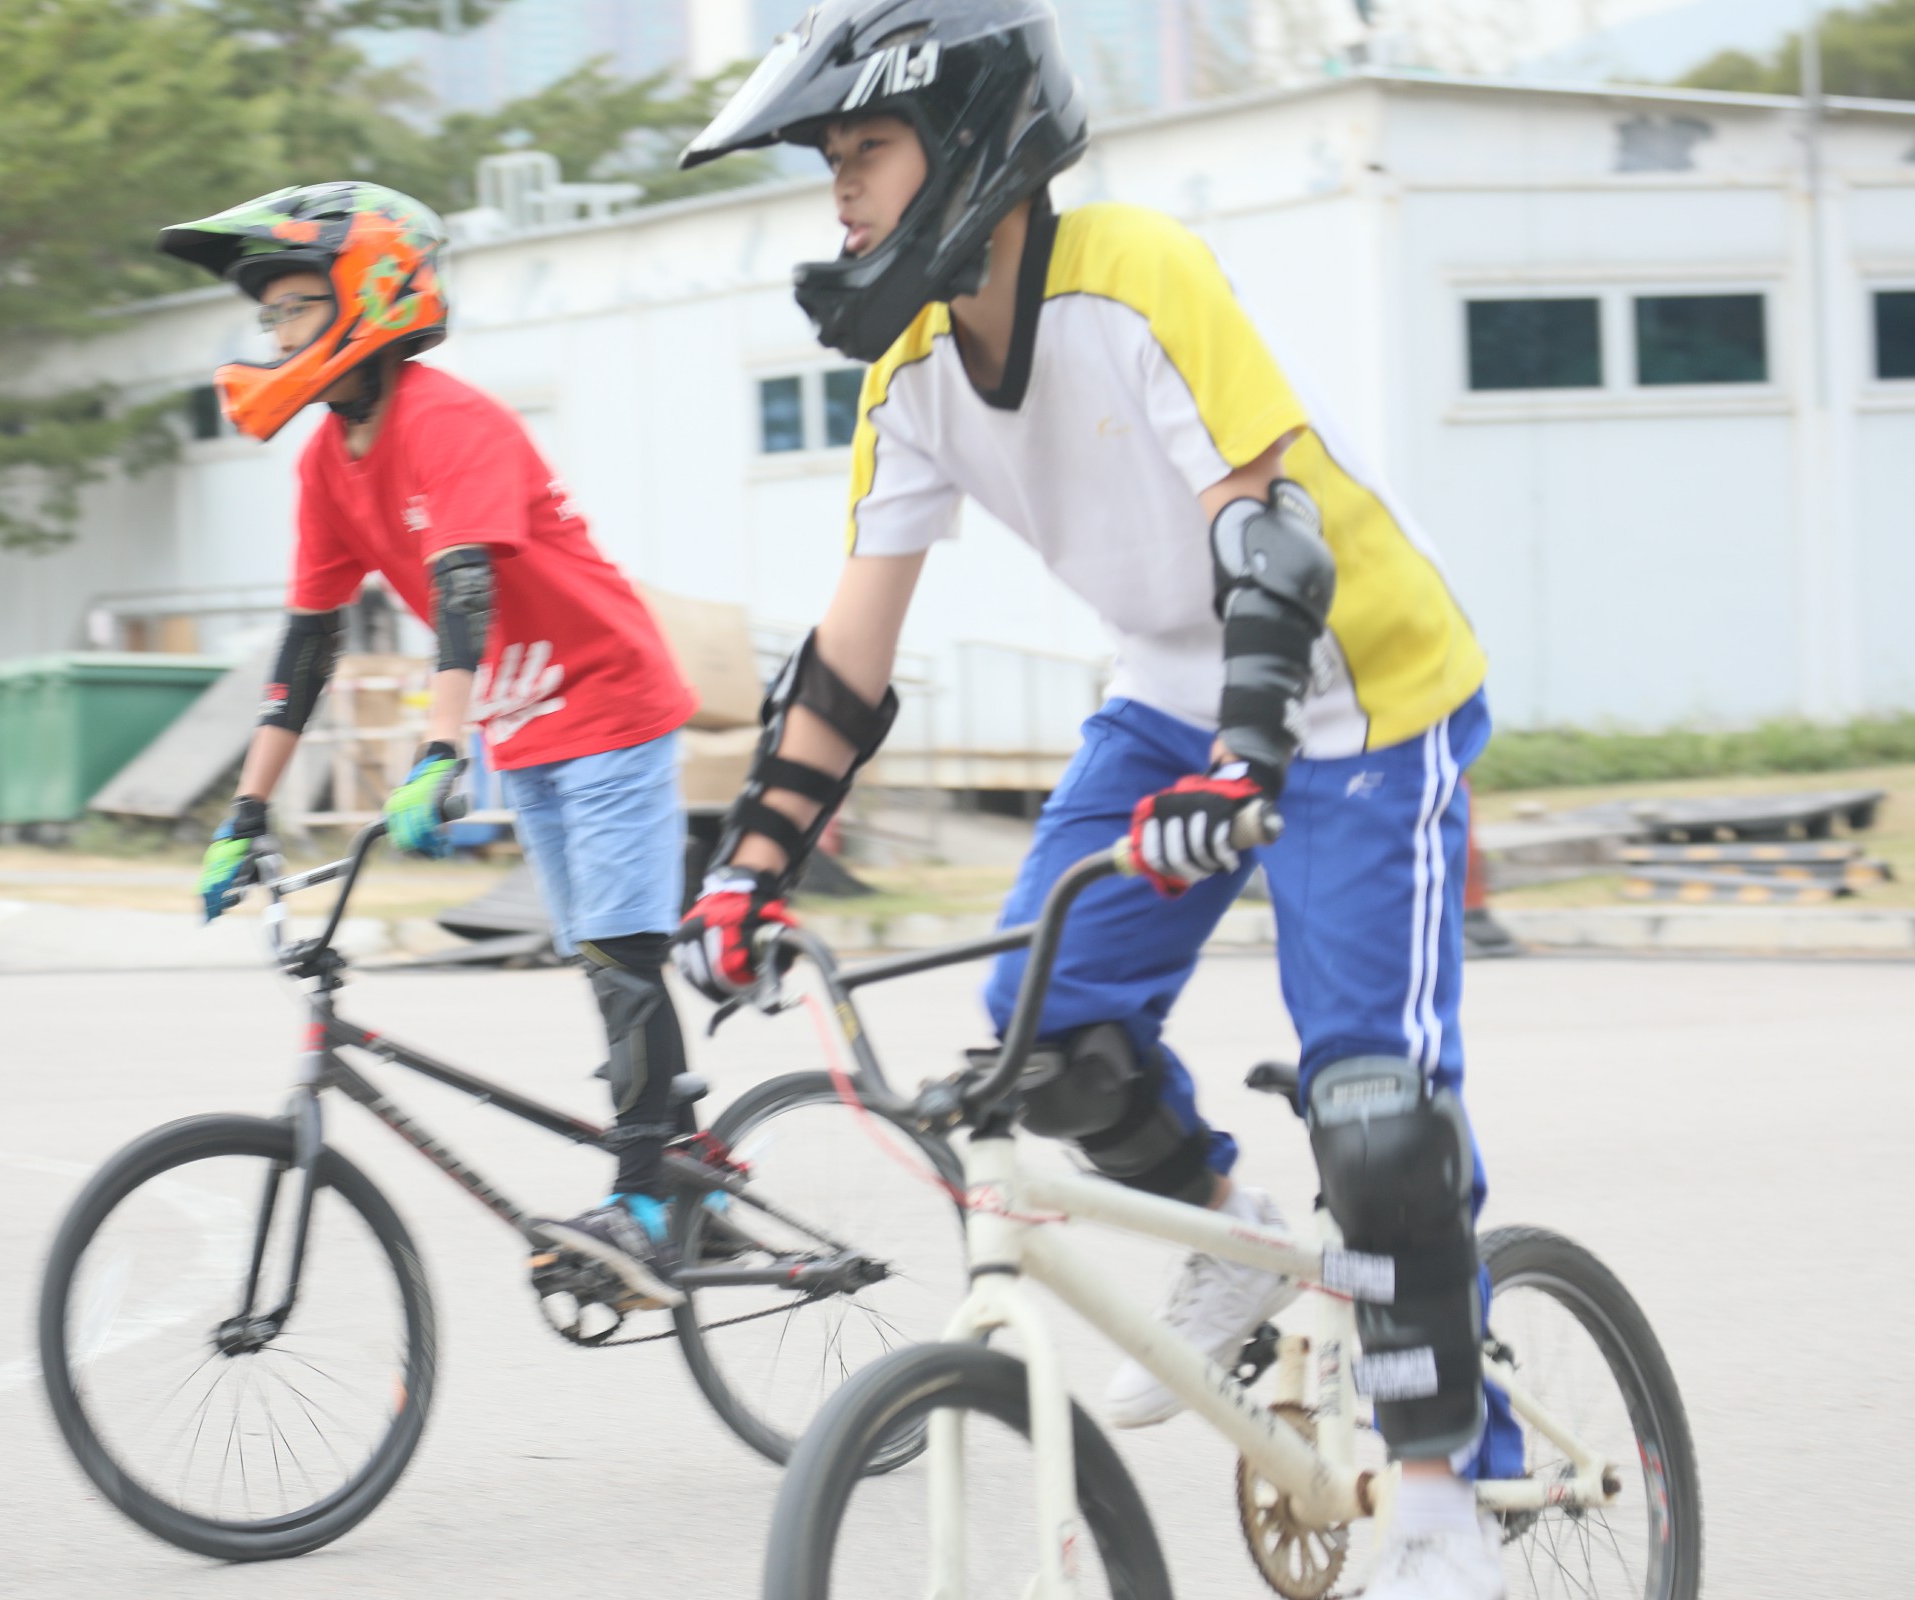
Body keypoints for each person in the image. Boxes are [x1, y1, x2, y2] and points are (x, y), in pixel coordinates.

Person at [673, 5, 1515, 1594]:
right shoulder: (912, 371)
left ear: (972, 146)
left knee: (1374, 1109)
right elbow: (846, 667)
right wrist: (746, 870)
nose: (840, 189)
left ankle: (1439, 1507)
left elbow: (1269, 543)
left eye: (866, 148)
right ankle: (1226, 1234)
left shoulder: (1138, 275)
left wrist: (1248, 766)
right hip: (1174, 697)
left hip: (1360, 690)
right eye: (830, 159)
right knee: (1041, 1028)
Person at [160, 182, 703, 1307]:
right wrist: (242, 814)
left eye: (296, 307)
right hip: (527, 724)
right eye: (269, 316)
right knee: (603, 963)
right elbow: (307, 648)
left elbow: (465, 591)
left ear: (367, 296)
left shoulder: (451, 422)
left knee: (620, 957)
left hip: (610, 701)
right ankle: (689, 1171)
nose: (277, 335)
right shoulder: (326, 463)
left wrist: (438, 752)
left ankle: (649, 1206)